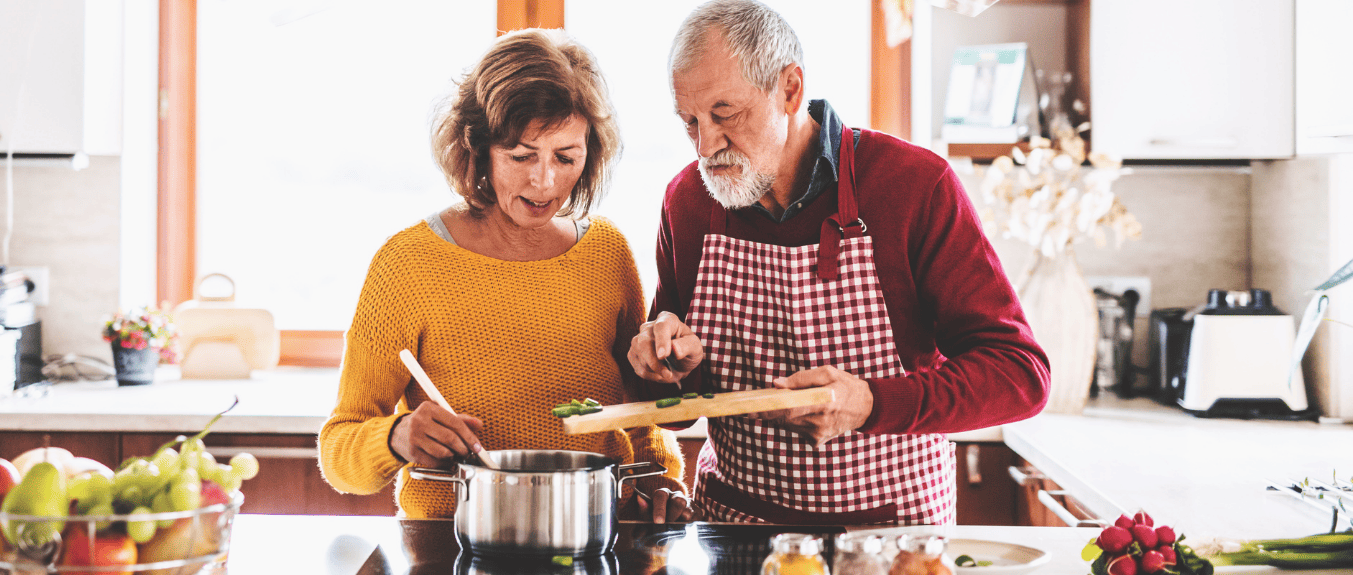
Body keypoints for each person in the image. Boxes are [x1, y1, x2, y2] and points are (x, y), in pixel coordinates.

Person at [627, 0, 1049, 525]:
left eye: (724, 114)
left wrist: (870, 402)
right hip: (733, 530)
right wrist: (668, 367)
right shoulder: (688, 201)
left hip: (890, 536)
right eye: (689, 121)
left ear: (789, 89)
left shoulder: (914, 186)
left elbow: (1020, 375)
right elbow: (668, 405)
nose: (706, 145)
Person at [319, 28, 693, 523]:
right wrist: (396, 436)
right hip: (454, 544)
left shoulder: (607, 252)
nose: (544, 181)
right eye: (521, 156)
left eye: (566, 157)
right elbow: (340, 451)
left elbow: (637, 414)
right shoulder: (408, 264)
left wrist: (660, 481)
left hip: (594, 534)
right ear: (477, 148)